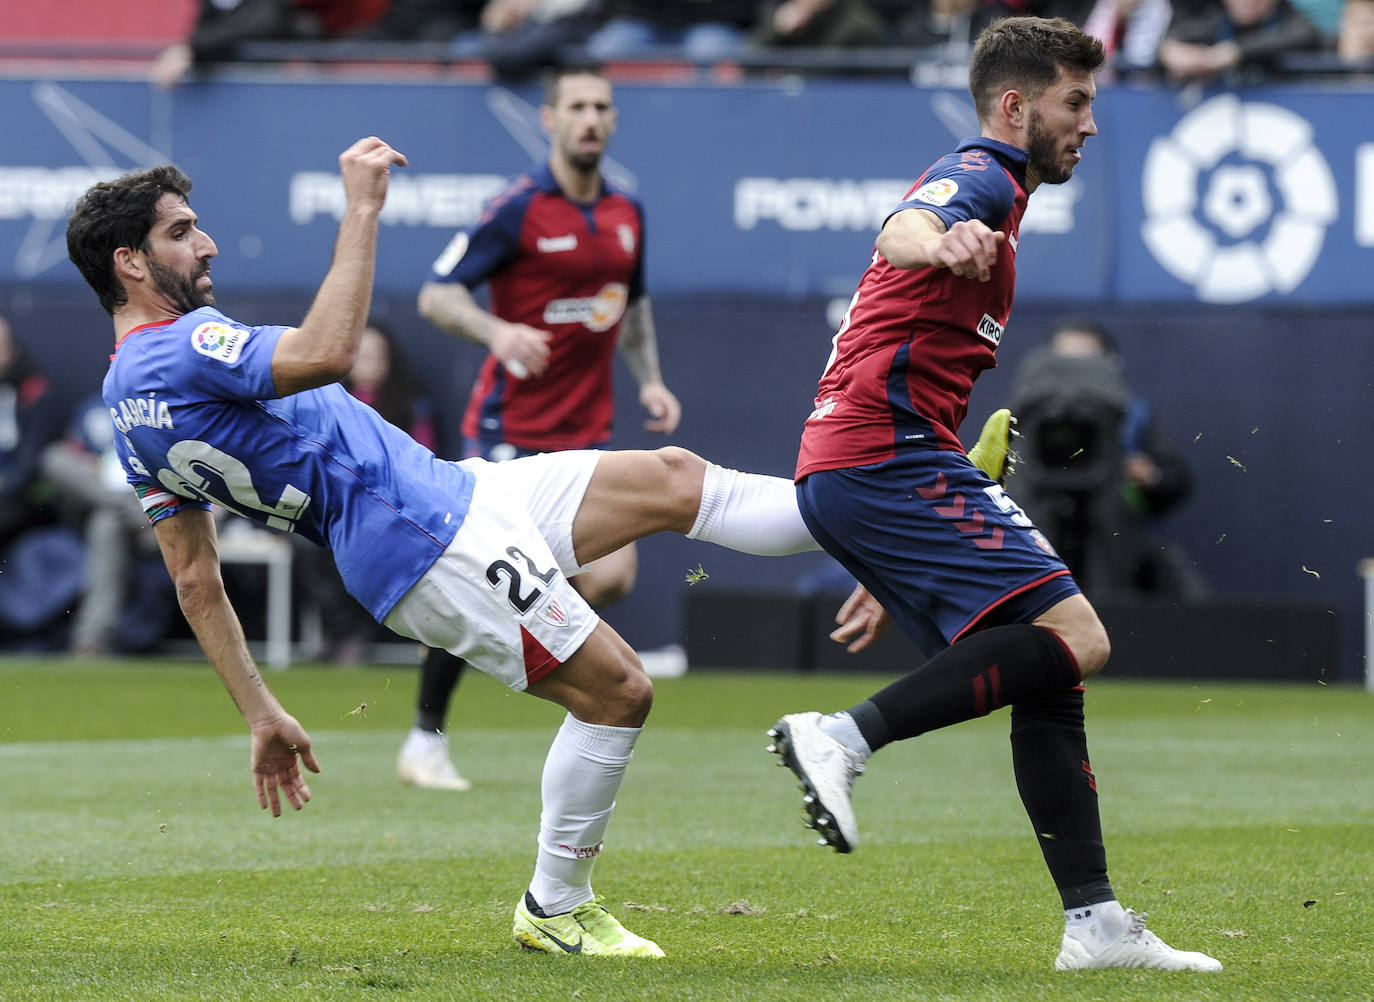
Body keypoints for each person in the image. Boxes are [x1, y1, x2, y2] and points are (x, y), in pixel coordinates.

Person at [72, 136, 996, 956]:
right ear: (132, 262)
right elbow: (325, 351)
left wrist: (260, 713)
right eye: (184, 230)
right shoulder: (179, 345)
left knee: (675, 478)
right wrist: (361, 209)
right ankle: (555, 905)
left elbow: (196, 581)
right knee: (619, 692)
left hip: (454, 492)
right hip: (419, 540)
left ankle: (888, 501)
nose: (207, 243)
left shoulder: (127, 408)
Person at [765, 17, 1222, 972]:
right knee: (1079, 638)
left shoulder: (1002, 195)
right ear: (1016, 106)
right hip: (879, 456)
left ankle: (1095, 926)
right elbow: (900, 228)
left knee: (1052, 668)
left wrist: (890, 552)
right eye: (1075, 101)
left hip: (879, 465)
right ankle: (841, 737)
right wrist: (936, 242)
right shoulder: (981, 172)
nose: (1090, 123)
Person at [400, 65, 682, 791]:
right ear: (550, 120)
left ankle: (520, 638)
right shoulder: (516, 209)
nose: (590, 119)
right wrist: (496, 332)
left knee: (612, 573)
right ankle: (424, 736)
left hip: (585, 429)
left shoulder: (630, 211)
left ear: (612, 121)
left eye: (602, 107)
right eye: (577, 107)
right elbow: (436, 293)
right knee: (488, 578)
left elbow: (633, 305)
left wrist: (649, 378)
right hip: (509, 431)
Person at [1009, 317, 1200, 598]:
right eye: (1063, 361)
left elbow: (1175, 479)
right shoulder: (1019, 418)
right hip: (1037, 541)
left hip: (1113, 550)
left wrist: (1149, 474)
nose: (1075, 374)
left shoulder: (1132, 417)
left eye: (1087, 363)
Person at [1156, 0, 1323, 82]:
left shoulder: (1290, 20)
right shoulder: (1217, 21)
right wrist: (1169, 51)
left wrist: (1236, 52)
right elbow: (1173, 40)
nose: (1249, 2)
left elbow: (1305, 35)